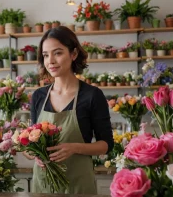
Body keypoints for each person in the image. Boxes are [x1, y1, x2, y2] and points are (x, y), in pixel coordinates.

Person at [24, 26, 114, 194]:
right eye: (45, 55)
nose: (50, 61)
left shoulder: (92, 95)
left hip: (78, 186)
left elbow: (106, 145)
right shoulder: (38, 96)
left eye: (57, 53)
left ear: (73, 54)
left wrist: (74, 148)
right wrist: (34, 154)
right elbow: (30, 144)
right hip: (43, 187)